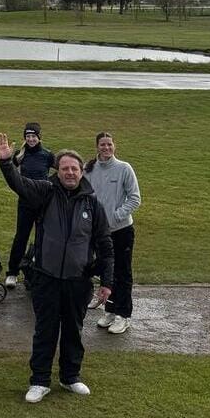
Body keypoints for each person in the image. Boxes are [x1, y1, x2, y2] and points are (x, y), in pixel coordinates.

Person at [0, 133, 114, 403]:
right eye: (64, 169)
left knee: (73, 331)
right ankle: (39, 381)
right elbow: (19, 184)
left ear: (81, 172)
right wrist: (5, 163)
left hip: (78, 280)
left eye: (74, 169)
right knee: (45, 331)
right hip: (46, 278)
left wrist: (107, 282)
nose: (70, 173)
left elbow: (105, 245)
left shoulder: (92, 204)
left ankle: (70, 377)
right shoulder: (45, 192)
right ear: (57, 171)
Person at [84, 131, 142, 335]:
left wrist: (115, 217)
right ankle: (109, 310)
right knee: (106, 272)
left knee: (122, 273)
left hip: (121, 230)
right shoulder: (89, 169)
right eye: (102, 144)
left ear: (114, 146)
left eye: (109, 144)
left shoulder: (124, 168)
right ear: (97, 147)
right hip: (99, 232)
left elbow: (134, 198)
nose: (106, 148)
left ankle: (123, 315)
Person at [4, 122, 55, 290]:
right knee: (21, 237)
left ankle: (39, 271)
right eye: (28, 136)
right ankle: (12, 272)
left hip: (43, 204)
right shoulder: (20, 155)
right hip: (25, 203)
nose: (31, 139)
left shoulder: (47, 155)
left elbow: (61, 169)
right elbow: (10, 173)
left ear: (39, 137)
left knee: (43, 237)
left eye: (33, 136)